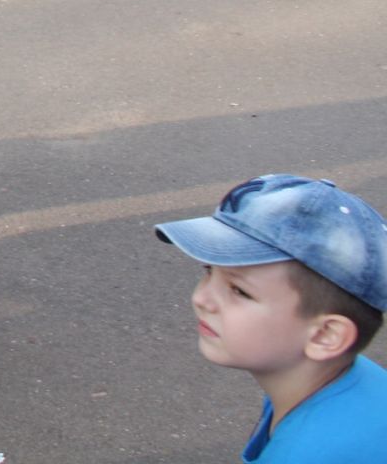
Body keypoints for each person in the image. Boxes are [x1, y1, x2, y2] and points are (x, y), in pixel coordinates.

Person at [156, 174, 387, 462]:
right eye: (208, 271)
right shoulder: (353, 379)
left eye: (239, 290)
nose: (201, 299)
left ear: (325, 336)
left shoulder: (307, 454)